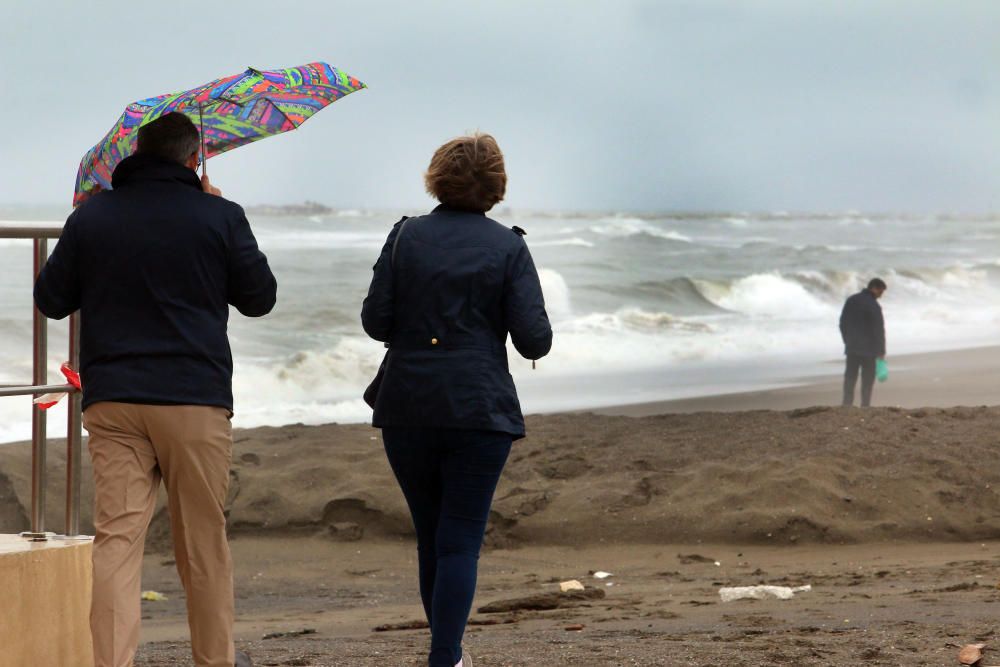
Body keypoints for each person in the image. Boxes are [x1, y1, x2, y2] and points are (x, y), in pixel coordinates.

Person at [34, 112, 275, 667]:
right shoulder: (219, 215)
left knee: (116, 543)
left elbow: (50, 300)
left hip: (115, 400)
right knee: (203, 546)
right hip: (195, 399)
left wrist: (82, 233)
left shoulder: (93, 216)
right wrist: (217, 208)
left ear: (135, 155)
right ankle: (214, 661)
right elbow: (259, 298)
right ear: (194, 159)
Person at [361, 133, 552, 667]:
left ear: (436, 178)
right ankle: (446, 658)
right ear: (497, 185)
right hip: (479, 407)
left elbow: (375, 321)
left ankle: (449, 657)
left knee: (431, 537)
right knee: (459, 541)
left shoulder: (403, 237)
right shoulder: (509, 246)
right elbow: (534, 340)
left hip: (408, 403)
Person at [839, 277, 887, 407]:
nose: (881, 296)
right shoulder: (874, 306)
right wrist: (881, 351)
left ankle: (846, 404)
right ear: (874, 288)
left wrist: (846, 340)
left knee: (850, 378)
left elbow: (842, 323)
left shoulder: (851, 300)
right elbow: (878, 330)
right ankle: (865, 405)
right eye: (881, 292)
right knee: (867, 381)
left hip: (852, 347)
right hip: (869, 350)